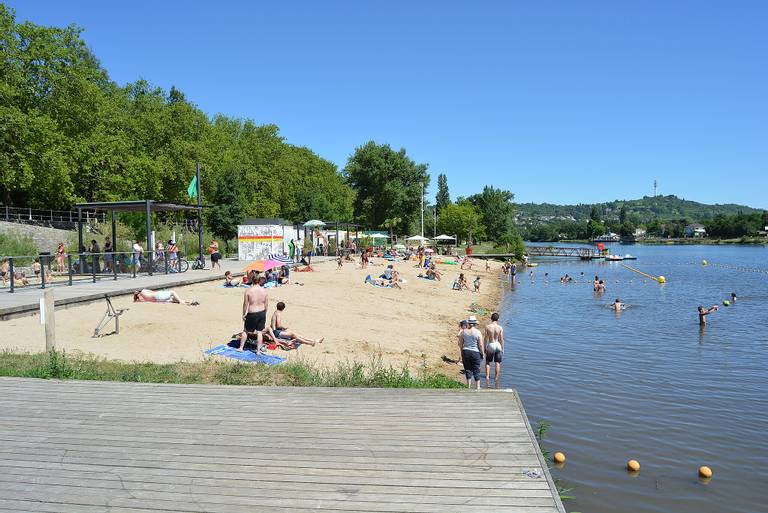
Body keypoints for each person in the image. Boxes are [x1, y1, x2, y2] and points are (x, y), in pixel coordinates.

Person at [238, 277, 269, 352]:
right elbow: (266, 304)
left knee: (245, 330)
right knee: (259, 332)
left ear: (252, 280)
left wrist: (244, 314)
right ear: (260, 281)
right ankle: (258, 350)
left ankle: (241, 348)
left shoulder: (248, 291)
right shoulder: (264, 291)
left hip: (252, 312)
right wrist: (265, 313)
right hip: (262, 312)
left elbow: (245, 304)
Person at [458, 316, 484, 390]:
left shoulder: (463, 332)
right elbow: (481, 345)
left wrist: (462, 352)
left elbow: (460, 343)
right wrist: (482, 353)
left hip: (466, 351)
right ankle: (478, 387)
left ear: (468, 323)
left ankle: (468, 386)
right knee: (476, 369)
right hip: (475, 352)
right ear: (475, 323)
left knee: (468, 369)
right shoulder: (478, 332)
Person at [484, 312, 504, 386]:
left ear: (491, 318)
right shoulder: (500, 327)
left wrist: (484, 348)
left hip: (491, 344)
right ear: (498, 319)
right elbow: (501, 339)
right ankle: (496, 378)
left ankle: (487, 377)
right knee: (497, 362)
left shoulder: (488, 327)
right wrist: (502, 348)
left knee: (488, 362)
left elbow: (485, 338)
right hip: (498, 345)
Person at [133, 288, 198, 305]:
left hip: (157, 301)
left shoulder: (141, 299)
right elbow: (153, 292)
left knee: (172, 299)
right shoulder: (143, 291)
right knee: (172, 292)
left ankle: (188, 302)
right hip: (157, 296)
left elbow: (136, 300)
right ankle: (182, 301)